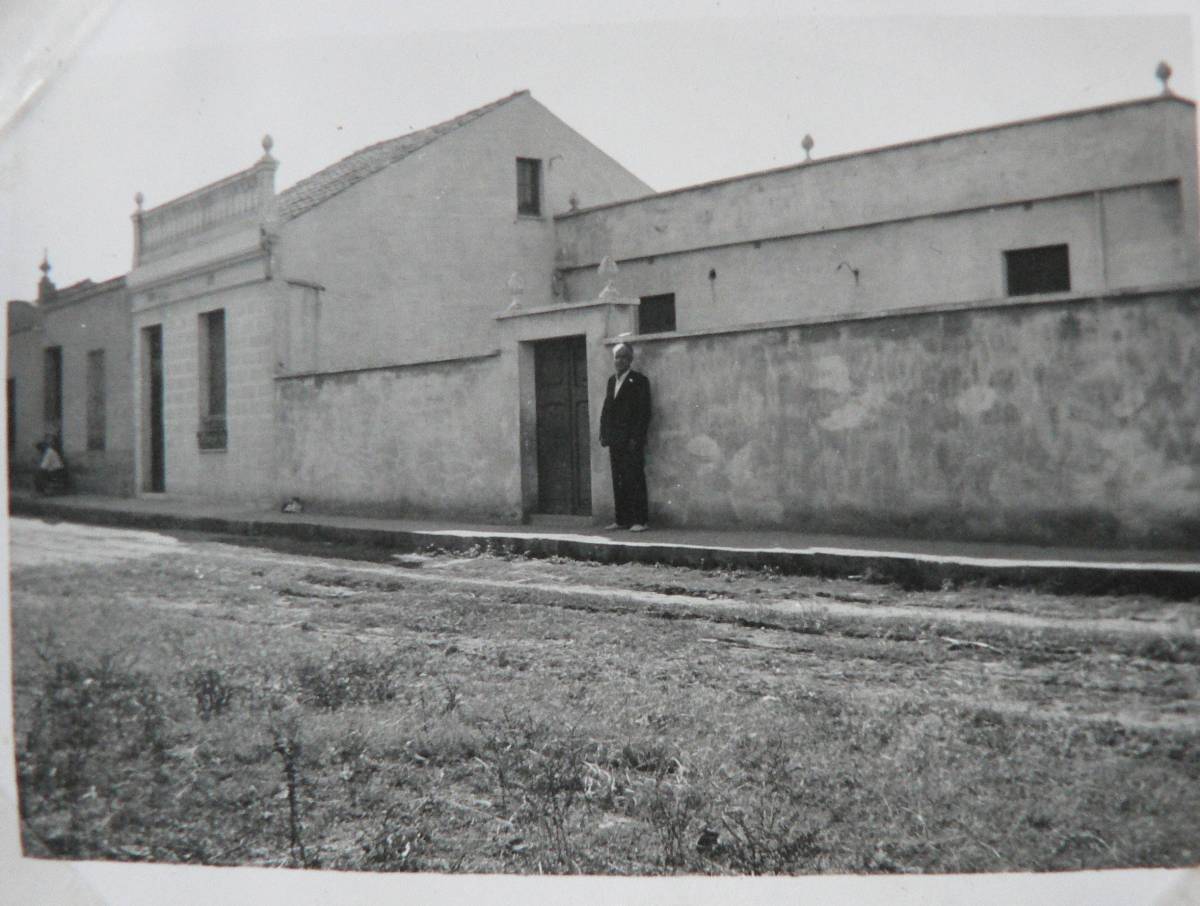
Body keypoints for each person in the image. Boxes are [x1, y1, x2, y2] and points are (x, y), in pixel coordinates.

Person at [599, 343, 651, 531]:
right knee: (618, 478)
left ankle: (639, 520)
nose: (620, 361)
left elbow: (644, 412)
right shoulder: (611, 381)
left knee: (634, 478)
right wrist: (603, 433)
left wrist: (636, 438)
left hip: (631, 440)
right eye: (617, 357)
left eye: (623, 357)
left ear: (630, 360)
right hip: (615, 439)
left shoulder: (639, 381)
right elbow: (607, 409)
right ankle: (621, 519)